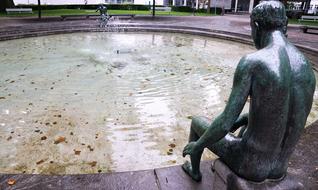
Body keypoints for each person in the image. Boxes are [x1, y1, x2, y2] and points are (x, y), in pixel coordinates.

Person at [182, 0, 316, 182]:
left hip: (250, 164)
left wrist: (198, 145)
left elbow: (224, 123)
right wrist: (245, 119)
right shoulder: (306, 66)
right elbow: (283, 116)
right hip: (280, 167)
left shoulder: (254, 62)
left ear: (257, 25)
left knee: (198, 122)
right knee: (245, 122)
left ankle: (195, 171)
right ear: (285, 24)